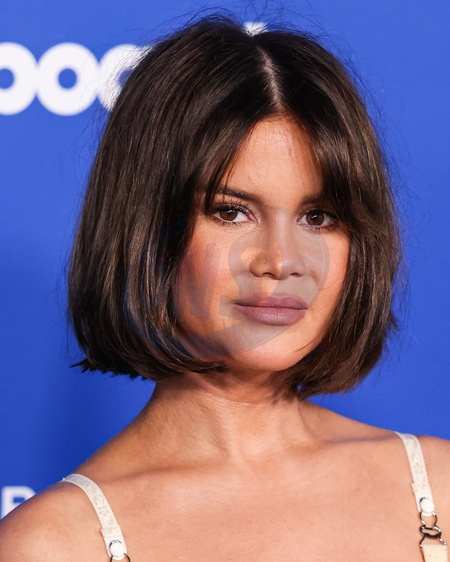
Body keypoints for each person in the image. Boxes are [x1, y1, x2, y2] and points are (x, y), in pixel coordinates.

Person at [1, 14, 449, 562]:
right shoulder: (54, 545)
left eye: (318, 217)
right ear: (148, 230)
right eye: (231, 212)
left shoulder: (439, 488)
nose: (281, 261)